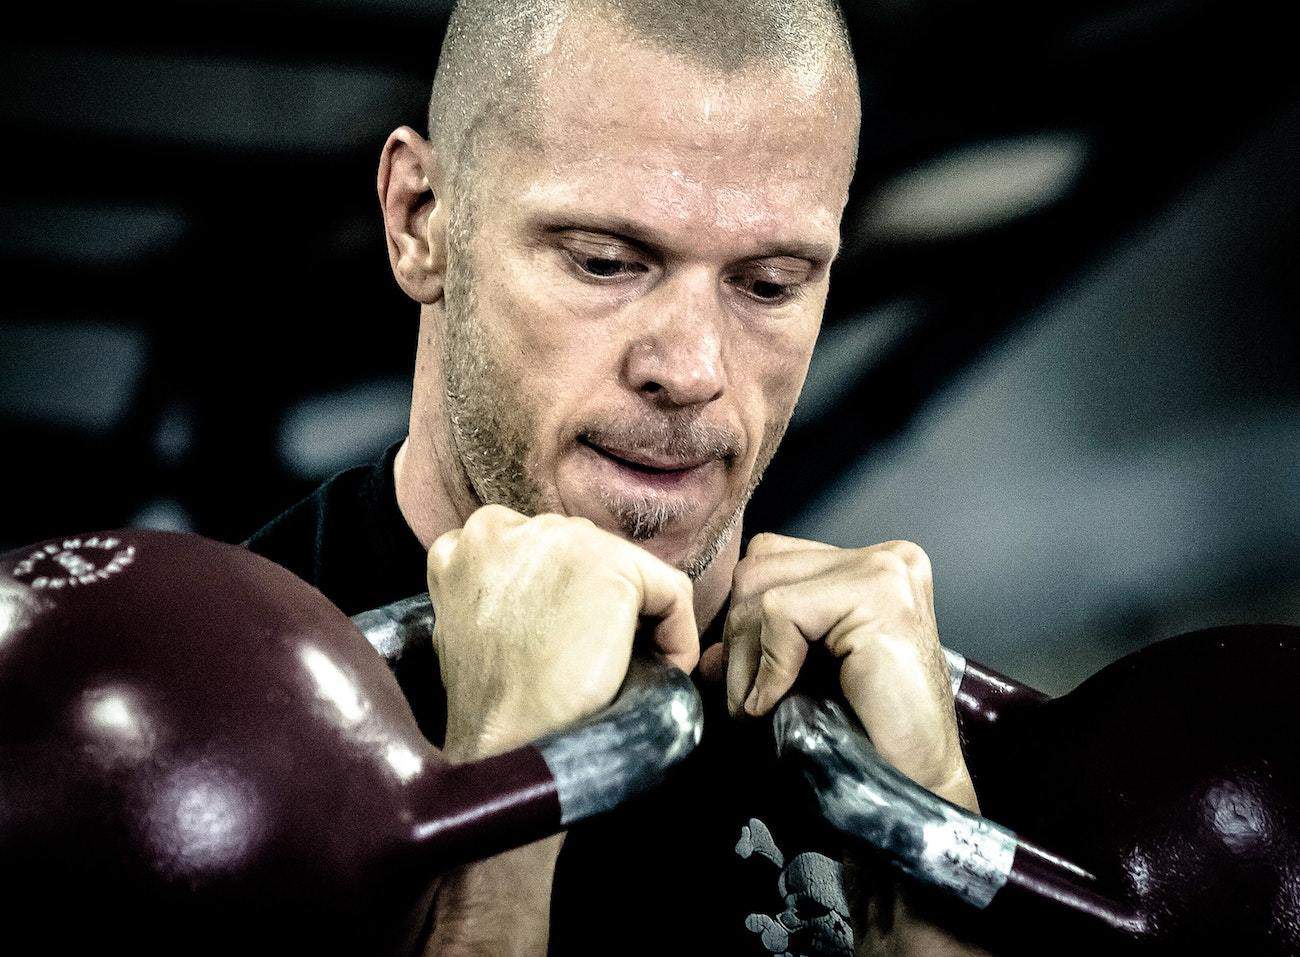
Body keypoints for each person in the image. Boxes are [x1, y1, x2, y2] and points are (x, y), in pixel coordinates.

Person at [247, 0, 985, 953]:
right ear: (419, 221)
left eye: (768, 285)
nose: (690, 369)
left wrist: (937, 860)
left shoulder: (923, 748)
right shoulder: (208, 716)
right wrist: (507, 809)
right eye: (605, 263)